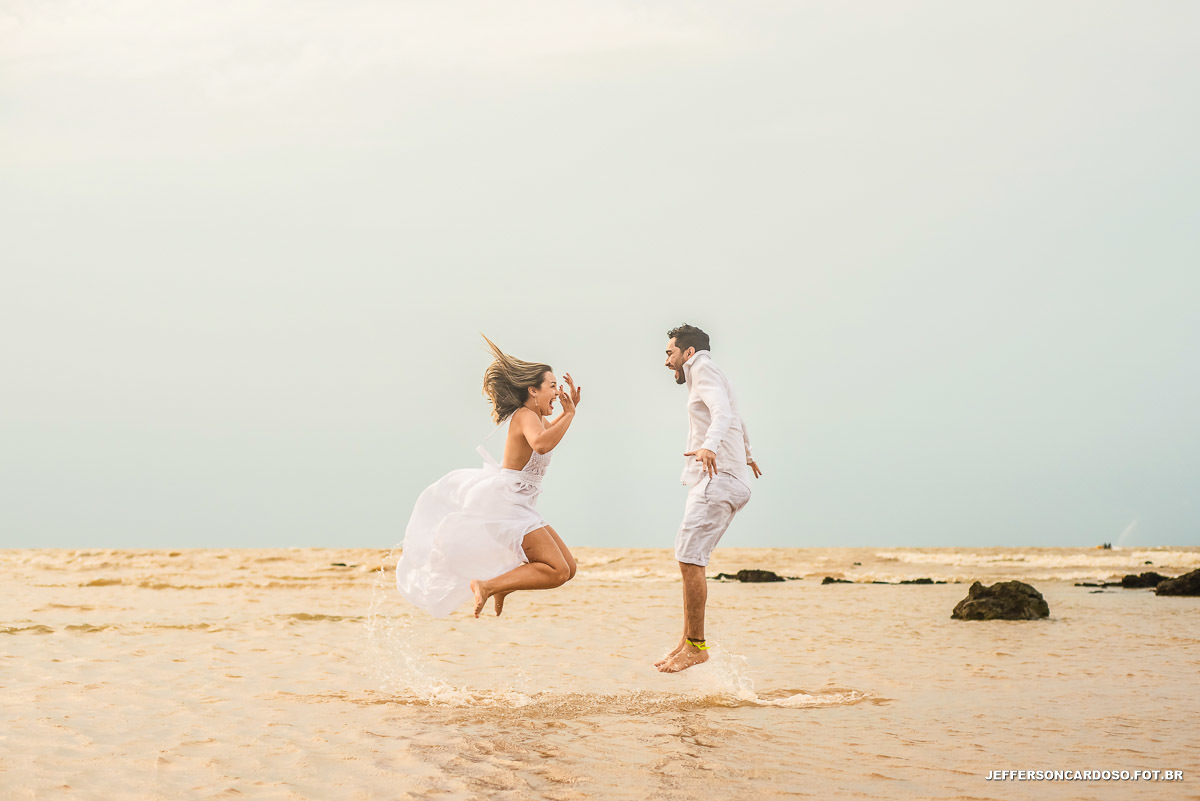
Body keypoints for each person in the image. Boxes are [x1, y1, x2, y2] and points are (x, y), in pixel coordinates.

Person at [395, 335, 581, 619]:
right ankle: (488, 584)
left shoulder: (538, 417)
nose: (557, 393)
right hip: (505, 505)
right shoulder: (525, 415)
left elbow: (549, 432)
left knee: (568, 568)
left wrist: (568, 414)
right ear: (533, 390)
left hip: (520, 503)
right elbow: (542, 443)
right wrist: (570, 414)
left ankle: (503, 585)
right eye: (552, 386)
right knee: (555, 570)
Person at [656, 324, 762, 673]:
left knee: (689, 558)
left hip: (717, 480)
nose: (666, 361)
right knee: (688, 557)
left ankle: (697, 647)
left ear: (688, 353)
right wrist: (746, 454)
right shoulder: (710, 374)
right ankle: (688, 641)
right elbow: (736, 417)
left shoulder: (701, 368)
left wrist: (709, 446)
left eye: (670, 353)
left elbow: (723, 414)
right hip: (723, 478)